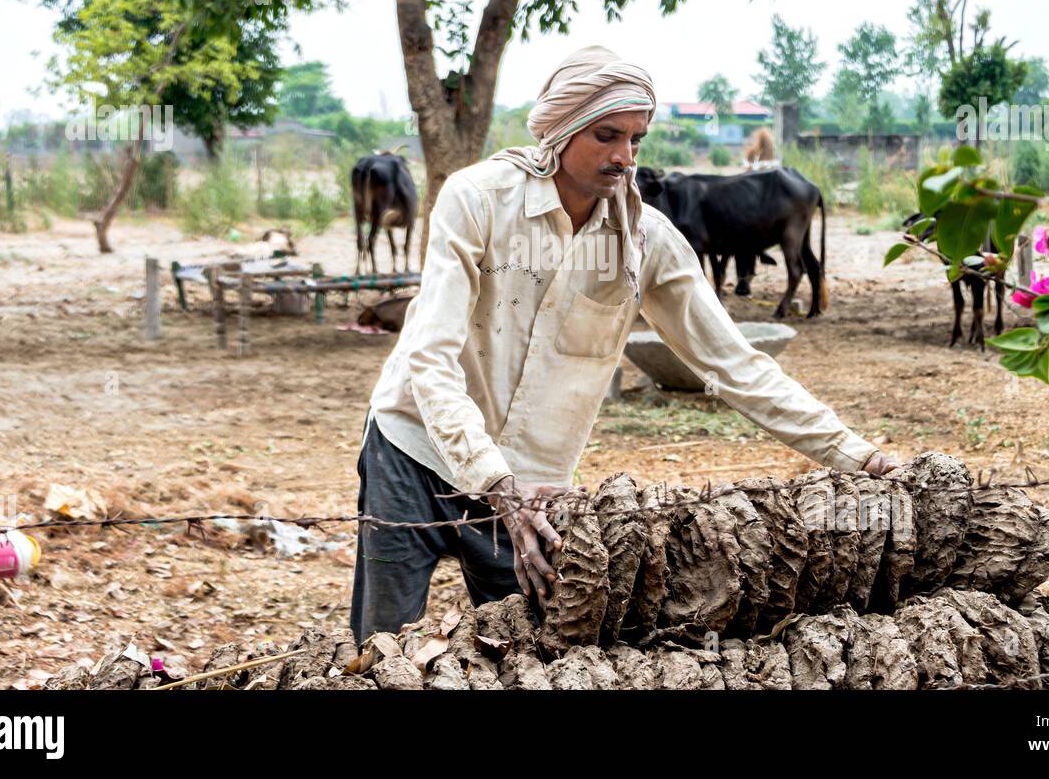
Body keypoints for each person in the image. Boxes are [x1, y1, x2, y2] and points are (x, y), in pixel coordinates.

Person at [350, 45, 898, 642]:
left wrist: (858, 456)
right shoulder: (477, 200)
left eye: (636, 139)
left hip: (532, 487)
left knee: (526, 655)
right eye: (607, 135)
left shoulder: (646, 243)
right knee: (383, 651)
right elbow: (430, 357)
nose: (624, 156)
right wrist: (494, 482)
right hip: (414, 451)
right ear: (559, 132)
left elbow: (734, 364)